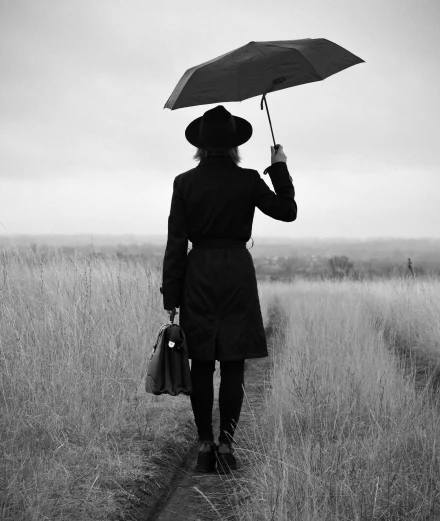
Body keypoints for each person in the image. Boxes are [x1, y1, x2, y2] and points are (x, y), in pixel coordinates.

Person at [161, 105, 297, 473]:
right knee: (234, 363)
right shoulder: (249, 179)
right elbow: (288, 211)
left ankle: (204, 446)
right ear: (235, 144)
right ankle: (227, 446)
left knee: (202, 363)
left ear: (200, 146)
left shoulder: (184, 183)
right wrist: (279, 165)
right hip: (237, 273)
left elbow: (176, 244)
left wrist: (171, 297)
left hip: (199, 275)